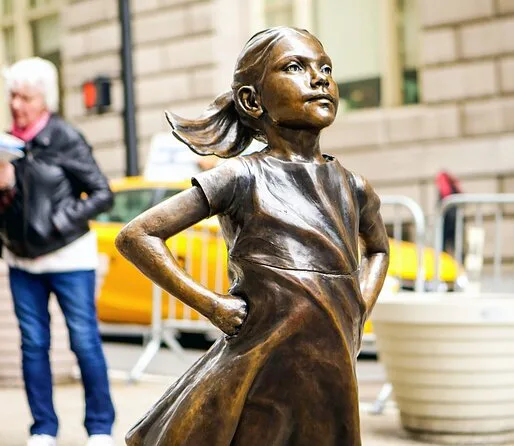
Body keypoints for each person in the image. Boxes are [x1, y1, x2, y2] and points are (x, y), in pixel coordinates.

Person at [115, 27, 390, 445]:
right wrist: (212, 305)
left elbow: (378, 251)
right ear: (251, 100)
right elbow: (138, 235)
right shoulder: (241, 176)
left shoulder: (353, 186)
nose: (320, 79)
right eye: (295, 67)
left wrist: (358, 305)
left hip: (331, 360)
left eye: (326, 68)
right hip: (261, 363)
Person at [0, 58, 116, 446]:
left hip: (70, 259)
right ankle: (43, 428)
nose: (16, 104)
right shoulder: (7, 144)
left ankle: (100, 427)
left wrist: (57, 222)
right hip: (21, 261)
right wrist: (4, 187)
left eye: (26, 97)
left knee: (83, 341)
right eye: (13, 95)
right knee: (33, 345)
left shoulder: (65, 136)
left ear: (44, 100)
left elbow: (101, 193)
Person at [435, 170, 463, 254]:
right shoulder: (453, 188)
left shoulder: (448, 189)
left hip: (451, 221)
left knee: (454, 245)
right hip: (449, 221)